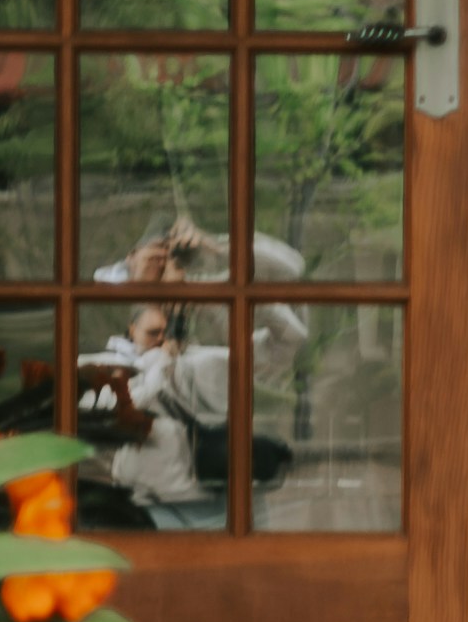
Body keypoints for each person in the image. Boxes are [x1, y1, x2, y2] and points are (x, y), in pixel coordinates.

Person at [79, 220, 308, 526]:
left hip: (231, 507)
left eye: (171, 325)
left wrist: (215, 265)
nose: (163, 337)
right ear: (131, 328)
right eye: (153, 332)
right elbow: (115, 412)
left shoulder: (206, 363)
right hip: (151, 511)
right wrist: (164, 356)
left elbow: (290, 333)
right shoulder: (99, 367)